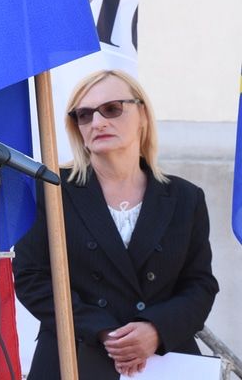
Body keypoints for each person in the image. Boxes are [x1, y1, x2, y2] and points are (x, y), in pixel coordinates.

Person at [14, 70, 219, 379]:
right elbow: (31, 277)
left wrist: (155, 330)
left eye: (112, 109)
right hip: (73, 356)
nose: (97, 122)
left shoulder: (185, 197)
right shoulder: (49, 189)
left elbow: (200, 285)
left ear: (143, 115)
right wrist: (103, 331)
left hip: (163, 362)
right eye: (84, 115)